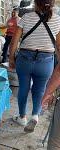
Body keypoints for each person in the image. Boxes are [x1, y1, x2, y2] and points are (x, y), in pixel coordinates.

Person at [9, 0, 60, 133]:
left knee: (23, 88)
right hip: (46, 61)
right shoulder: (57, 20)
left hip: (25, 59)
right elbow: (59, 45)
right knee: (40, 90)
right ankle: (35, 116)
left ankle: (22, 117)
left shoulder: (26, 17)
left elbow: (14, 41)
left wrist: (11, 58)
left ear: (36, 3)